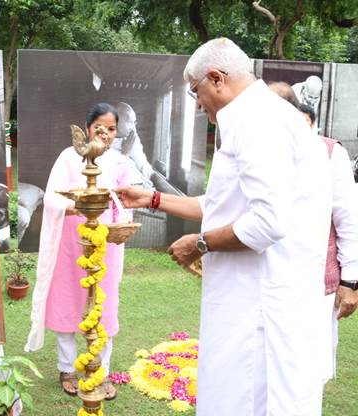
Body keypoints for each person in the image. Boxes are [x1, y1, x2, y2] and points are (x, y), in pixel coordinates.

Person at [117, 38, 333, 415]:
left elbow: (267, 222)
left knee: (248, 401)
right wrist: (151, 199)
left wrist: (199, 244)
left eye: (195, 91)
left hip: (261, 308)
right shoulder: (259, 116)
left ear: (216, 78)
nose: (198, 104)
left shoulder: (258, 122)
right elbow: (223, 206)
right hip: (255, 300)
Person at [25, 103, 130, 400]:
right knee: (68, 302)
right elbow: (53, 200)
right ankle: (67, 368)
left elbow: (124, 202)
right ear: (86, 129)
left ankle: (101, 371)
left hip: (105, 245)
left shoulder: (121, 162)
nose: (105, 134)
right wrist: (80, 207)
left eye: (111, 129)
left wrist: (121, 220)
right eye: (99, 127)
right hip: (70, 245)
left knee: (104, 308)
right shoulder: (68, 158)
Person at [268, 80, 358, 384]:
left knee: (307, 372)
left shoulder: (330, 153)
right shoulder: (262, 151)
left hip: (316, 283)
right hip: (268, 280)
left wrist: (350, 281)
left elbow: (348, 219)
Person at [110, 102, 156, 190]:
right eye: (130, 122)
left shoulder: (132, 138)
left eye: (134, 122)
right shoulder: (101, 144)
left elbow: (143, 166)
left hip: (143, 186)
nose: (133, 127)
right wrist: (124, 155)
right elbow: (110, 178)